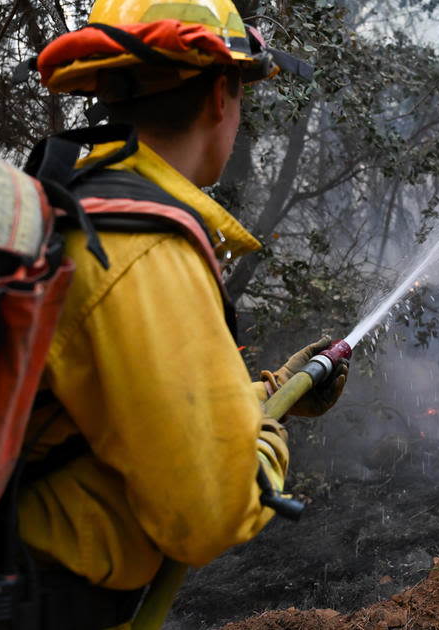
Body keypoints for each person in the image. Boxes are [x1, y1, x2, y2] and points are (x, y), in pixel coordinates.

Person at [19, 1, 345, 626]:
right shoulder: (141, 249)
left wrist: (272, 391)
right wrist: (265, 441)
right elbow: (211, 511)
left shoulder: (79, 208)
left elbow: (134, 412)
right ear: (220, 99)